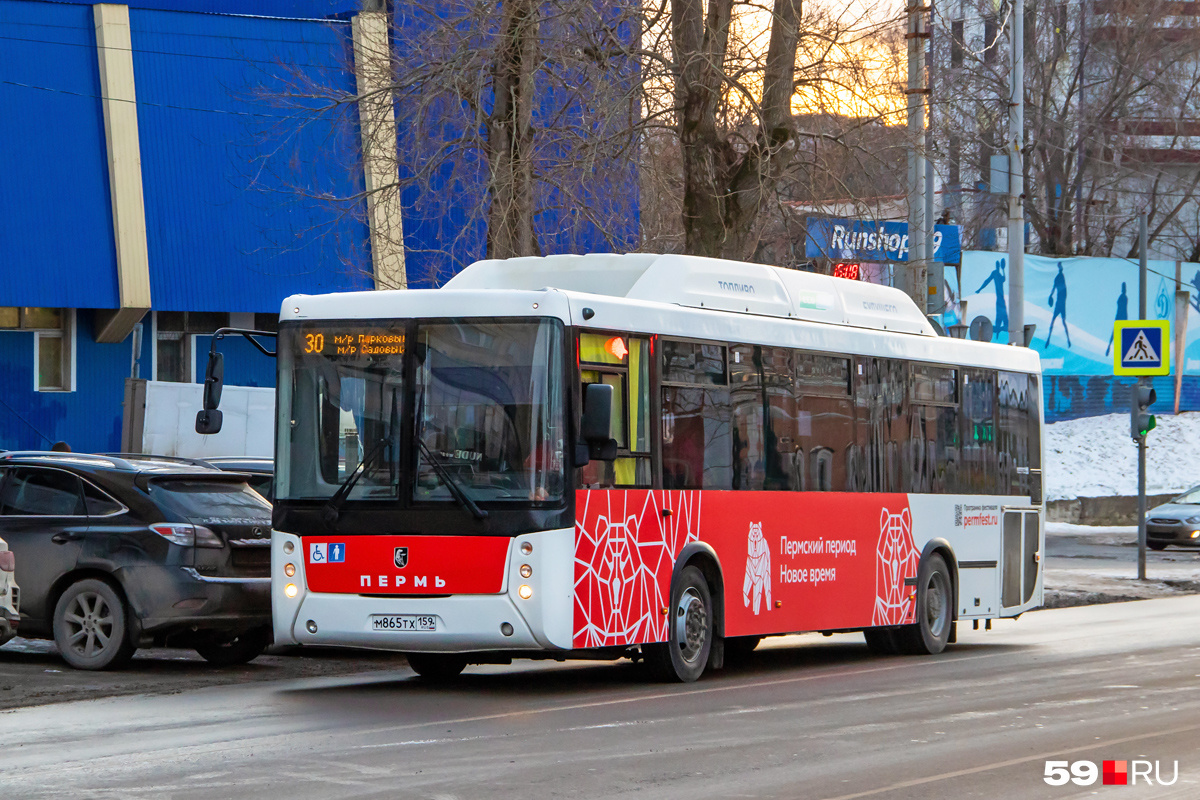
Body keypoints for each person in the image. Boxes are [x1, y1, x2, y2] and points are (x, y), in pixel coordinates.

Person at [974, 258, 1008, 334]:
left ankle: (1001, 326)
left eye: (998, 265)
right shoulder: (995, 273)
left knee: (1002, 310)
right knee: (1001, 310)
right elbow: (987, 281)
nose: (997, 266)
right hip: (999, 297)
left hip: (1001, 297)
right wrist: (980, 289)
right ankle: (1000, 326)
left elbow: (1003, 279)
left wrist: (1003, 269)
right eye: (997, 265)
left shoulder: (1000, 273)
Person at [1045, 262, 1072, 349]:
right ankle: (1049, 339)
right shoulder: (1058, 278)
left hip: (1061, 304)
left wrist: (1051, 295)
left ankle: (1068, 340)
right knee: (1055, 322)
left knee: (1062, 322)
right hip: (1059, 303)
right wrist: (1050, 296)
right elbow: (1054, 288)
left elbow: (1056, 289)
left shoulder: (1061, 277)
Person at [1105, 282, 1129, 357]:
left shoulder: (1124, 297)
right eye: (1123, 288)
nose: (1124, 289)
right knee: (1115, 334)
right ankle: (1109, 347)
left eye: (1124, 288)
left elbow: (1124, 309)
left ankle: (1114, 349)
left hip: (1121, 318)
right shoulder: (1122, 297)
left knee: (1119, 336)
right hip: (1119, 317)